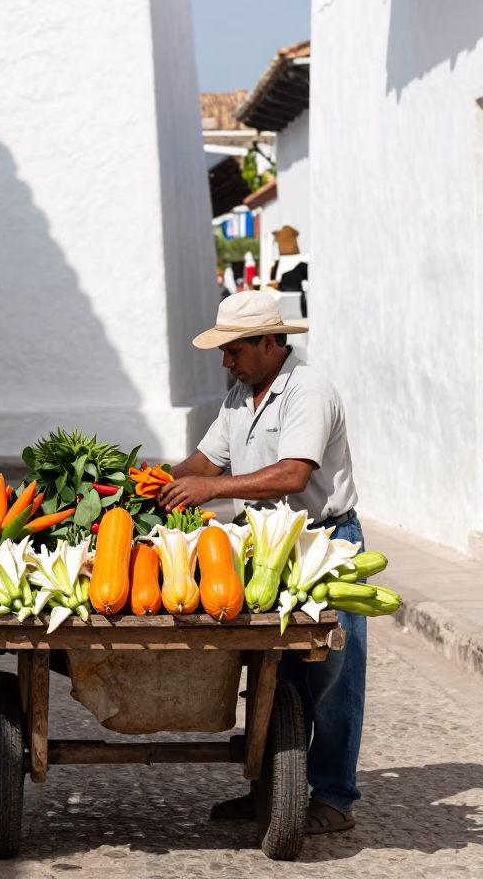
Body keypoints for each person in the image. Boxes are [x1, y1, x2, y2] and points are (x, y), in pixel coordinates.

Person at [158, 289, 365, 836]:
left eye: (234, 350)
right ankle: (270, 789)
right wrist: (157, 483)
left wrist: (211, 488)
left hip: (322, 543)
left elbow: (294, 474)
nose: (226, 361)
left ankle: (334, 797)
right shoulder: (240, 395)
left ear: (270, 343)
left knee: (331, 676)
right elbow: (206, 459)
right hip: (265, 546)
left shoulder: (308, 392)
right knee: (273, 671)